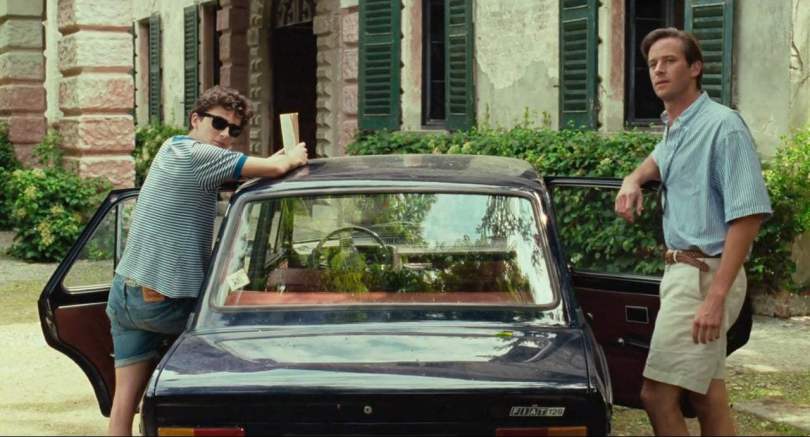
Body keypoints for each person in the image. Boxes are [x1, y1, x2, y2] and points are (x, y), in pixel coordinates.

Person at [105, 86, 308, 435]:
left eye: (234, 130)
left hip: (126, 292)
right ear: (195, 119)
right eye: (218, 124)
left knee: (122, 405)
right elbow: (276, 168)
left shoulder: (174, 149)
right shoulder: (197, 154)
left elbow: (257, 168)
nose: (225, 135)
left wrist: (275, 161)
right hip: (163, 300)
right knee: (243, 336)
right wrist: (293, 156)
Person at [614, 28, 772, 436]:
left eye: (669, 61)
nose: (658, 70)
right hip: (683, 273)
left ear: (695, 68)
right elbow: (658, 160)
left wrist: (715, 298)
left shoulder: (724, 126)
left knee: (656, 395)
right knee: (706, 396)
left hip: (705, 276)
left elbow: (749, 215)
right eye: (652, 64)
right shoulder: (676, 126)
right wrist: (633, 179)